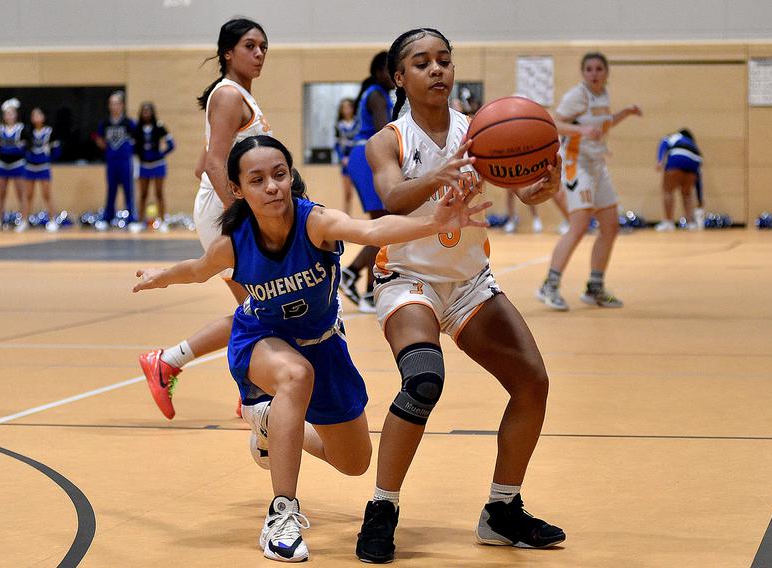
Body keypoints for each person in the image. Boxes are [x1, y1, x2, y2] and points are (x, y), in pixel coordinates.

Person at [133, 135, 489, 562]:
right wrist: (161, 275)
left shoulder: (314, 222)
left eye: (280, 175)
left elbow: (372, 229)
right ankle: (281, 515)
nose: (272, 187)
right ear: (237, 190)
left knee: (354, 461)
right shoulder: (234, 242)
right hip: (260, 339)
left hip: (324, 344)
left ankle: (268, 421)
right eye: (258, 179)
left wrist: (435, 224)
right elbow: (197, 270)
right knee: (295, 375)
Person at [354, 28, 566, 563]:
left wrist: (544, 178)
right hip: (409, 279)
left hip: (470, 282)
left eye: (444, 61)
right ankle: (382, 508)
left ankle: (501, 510)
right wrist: (437, 177)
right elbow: (390, 198)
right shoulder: (388, 140)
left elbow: (524, 187)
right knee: (424, 379)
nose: (437, 70)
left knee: (533, 382)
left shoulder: (482, 131)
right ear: (399, 78)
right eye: (421, 63)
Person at [140, 18, 271, 420]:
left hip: (220, 207)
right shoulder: (230, 95)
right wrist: (240, 212)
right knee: (265, 307)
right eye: (250, 45)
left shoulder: (233, 97)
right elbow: (215, 163)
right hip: (226, 213)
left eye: (264, 46)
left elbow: (204, 162)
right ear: (228, 52)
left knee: (262, 308)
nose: (260, 53)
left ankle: (244, 385)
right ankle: (173, 363)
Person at [537, 52, 642, 311]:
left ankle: (595, 287)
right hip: (577, 163)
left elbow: (602, 126)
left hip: (597, 164)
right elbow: (552, 122)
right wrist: (580, 131)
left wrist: (625, 113)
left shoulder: (602, 95)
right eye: (589, 69)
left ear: (606, 72)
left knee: (611, 225)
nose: (594, 73)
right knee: (579, 225)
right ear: (583, 73)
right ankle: (549, 286)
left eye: (598, 69)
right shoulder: (578, 95)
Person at [338, 51, 395, 314]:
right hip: (368, 156)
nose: (392, 74)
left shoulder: (378, 93)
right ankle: (354, 276)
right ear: (377, 72)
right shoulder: (375, 94)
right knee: (382, 226)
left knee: (382, 226)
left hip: (367, 156)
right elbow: (387, 129)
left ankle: (367, 288)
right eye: (388, 69)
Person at [93, 91, 138, 232]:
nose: (114, 106)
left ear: (122, 105)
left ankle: (131, 219)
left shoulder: (128, 123)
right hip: (111, 161)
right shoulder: (105, 123)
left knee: (128, 189)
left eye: (117, 103)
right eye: (112, 104)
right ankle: (108, 218)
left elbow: (136, 139)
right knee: (111, 189)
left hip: (125, 161)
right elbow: (99, 138)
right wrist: (106, 147)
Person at [136, 101, 175, 232]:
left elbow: (171, 144)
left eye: (148, 111)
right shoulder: (137, 128)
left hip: (158, 164)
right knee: (143, 194)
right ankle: (140, 221)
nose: (146, 113)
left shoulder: (159, 126)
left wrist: (161, 154)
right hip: (143, 164)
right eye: (144, 111)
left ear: (153, 112)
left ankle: (163, 221)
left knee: (159, 193)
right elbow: (132, 146)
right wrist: (139, 154)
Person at [655, 128, 703, 231]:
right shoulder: (693, 144)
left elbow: (664, 142)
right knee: (687, 194)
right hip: (695, 161)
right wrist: (700, 199)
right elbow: (699, 179)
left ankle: (668, 223)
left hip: (677, 158)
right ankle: (691, 224)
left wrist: (660, 160)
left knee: (668, 191)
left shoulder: (675, 136)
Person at [24, 107, 61, 232]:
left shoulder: (49, 131)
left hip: (43, 166)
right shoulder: (28, 132)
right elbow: (23, 148)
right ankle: (24, 221)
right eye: (33, 115)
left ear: (44, 117)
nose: (36, 118)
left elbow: (57, 149)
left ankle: (52, 220)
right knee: (28, 195)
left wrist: (49, 158)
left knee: (47, 194)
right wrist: (28, 157)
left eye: (38, 115)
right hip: (30, 167)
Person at [0, 98, 28, 231]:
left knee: (20, 193)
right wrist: (10, 148)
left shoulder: (21, 129)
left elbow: (24, 147)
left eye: (12, 113)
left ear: (16, 115)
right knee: (1, 193)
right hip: (3, 164)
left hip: (17, 165)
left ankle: (24, 220)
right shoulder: (0, 129)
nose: (9, 116)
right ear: (4, 116)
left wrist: (10, 149)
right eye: (7, 113)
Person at [334, 98, 357, 215]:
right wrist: (342, 157)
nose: (347, 110)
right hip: (345, 162)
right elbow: (337, 145)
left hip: (357, 159)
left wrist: (354, 157)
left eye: (349, 107)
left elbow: (359, 141)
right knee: (347, 194)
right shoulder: (339, 125)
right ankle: (347, 216)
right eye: (344, 107)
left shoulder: (358, 123)